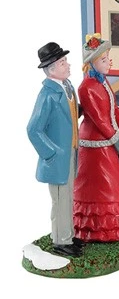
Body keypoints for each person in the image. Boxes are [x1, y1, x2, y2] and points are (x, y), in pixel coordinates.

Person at [73, 33, 119, 242]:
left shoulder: (104, 82)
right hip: (96, 143)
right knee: (101, 184)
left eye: (107, 58)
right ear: (92, 63)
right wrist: (115, 138)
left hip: (109, 138)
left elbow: (114, 108)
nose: (108, 62)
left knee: (116, 181)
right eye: (104, 60)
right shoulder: (86, 88)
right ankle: (96, 228)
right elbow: (99, 119)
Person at [27, 42, 83, 257]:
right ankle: (61, 241)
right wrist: (52, 153)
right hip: (59, 157)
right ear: (51, 70)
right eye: (62, 63)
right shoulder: (48, 95)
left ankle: (69, 235)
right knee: (61, 200)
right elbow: (33, 129)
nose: (67, 65)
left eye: (65, 61)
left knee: (69, 197)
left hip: (71, 151)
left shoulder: (67, 87)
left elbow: (68, 116)